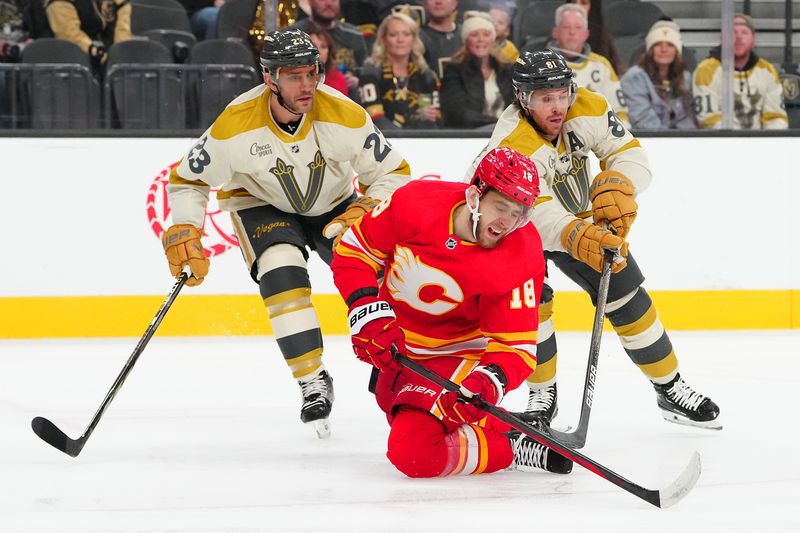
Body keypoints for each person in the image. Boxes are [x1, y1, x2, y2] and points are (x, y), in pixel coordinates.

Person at [162, 29, 411, 439]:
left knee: (385, 277)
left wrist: (367, 208)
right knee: (282, 273)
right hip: (260, 204)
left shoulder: (342, 113)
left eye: (311, 72)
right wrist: (186, 226)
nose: (307, 84)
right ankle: (312, 380)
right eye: (293, 76)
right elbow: (187, 180)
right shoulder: (235, 125)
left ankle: (394, 364)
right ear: (269, 79)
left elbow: (393, 173)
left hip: (334, 204)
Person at [472, 49, 721, 431]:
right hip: (515, 227)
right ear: (522, 99)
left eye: (562, 94)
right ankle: (543, 397)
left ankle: (670, 387)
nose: (557, 107)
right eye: (545, 98)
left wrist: (621, 184)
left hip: (575, 218)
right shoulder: (512, 143)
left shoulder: (586, 106)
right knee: (532, 307)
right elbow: (530, 211)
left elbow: (629, 153)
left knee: (628, 296)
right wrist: (574, 233)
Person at [331, 146, 574, 478]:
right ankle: (507, 428)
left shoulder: (522, 251)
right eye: (501, 207)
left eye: (518, 213)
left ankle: (510, 447)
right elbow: (354, 252)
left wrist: (487, 383)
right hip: (400, 346)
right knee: (391, 400)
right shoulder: (417, 202)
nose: (507, 222)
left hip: (459, 354)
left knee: (414, 452)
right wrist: (366, 311)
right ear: (475, 195)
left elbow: (515, 347)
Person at [535, 3, 628, 126]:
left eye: (578, 27)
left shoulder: (601, 65)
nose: (572, 32)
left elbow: (620, 112)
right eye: (566, 27)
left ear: (586, 34)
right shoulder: (539, 66)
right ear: (555, 32)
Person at [692, 13, 788, 130]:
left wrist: (767, 143)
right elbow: (708, 120)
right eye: (733, 32)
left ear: (753, 40)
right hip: (721, 144)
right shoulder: (705, 71)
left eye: (744, 32)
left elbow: (776, 117)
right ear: (722, 39)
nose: (738, 37)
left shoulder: (767, 71)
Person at [357, 12, 440, 129]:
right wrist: (401, 139)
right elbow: (375, 118)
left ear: (414, 39)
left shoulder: (425, 74)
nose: (400, 40)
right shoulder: (371, 72)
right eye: (393, 35)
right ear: (383, 39)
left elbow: (431, 117)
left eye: (406, 34)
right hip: (383, 140)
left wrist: (426, 115)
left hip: (421, 140)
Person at [440, 11, 513, 128]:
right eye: (474, 35)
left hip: (506, 132)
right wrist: (496, 124)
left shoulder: (506, 69)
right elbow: (458, 113)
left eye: (486, 34)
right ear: (466, 41)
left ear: (492, 39)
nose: (481, 39)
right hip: (472, 134)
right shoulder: (454, 71)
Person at [620, 20, 696, 130]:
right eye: (657, 45)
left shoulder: (685, 77)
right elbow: (642, 119)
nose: (664, 50)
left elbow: (687, 119)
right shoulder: (634, 78)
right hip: (648, 140)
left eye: (670, 45)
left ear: (677, 50)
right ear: (650, 49)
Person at [287, 0, 367, 94]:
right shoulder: (291, 35)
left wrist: (358, 80)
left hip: (349, 98)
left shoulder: (354, 34)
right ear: (309, 2)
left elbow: (367, 70)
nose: (329, 3)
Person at [43, 0, 131, 65]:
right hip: (72, 64)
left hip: (108, 60)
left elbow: (122, 29)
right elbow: (71, 36)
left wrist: (120, 55)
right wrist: (104, 58)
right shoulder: (58, 3)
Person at [566, 0, 620, 74]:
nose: (577, 7)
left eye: (583, 3)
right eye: (573, 2)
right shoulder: (556, 39)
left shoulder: (602, 40)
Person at [419, 0, 461, 77]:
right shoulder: (416, 38)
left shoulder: (467, 35)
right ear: (424, 3)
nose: (438, 1)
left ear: (455, 3)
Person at [308, 28, 350, 96]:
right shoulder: (296, 78)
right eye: (313, 46)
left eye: (323, 47)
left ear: (329, 52)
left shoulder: (339, 79)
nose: (318, 51)